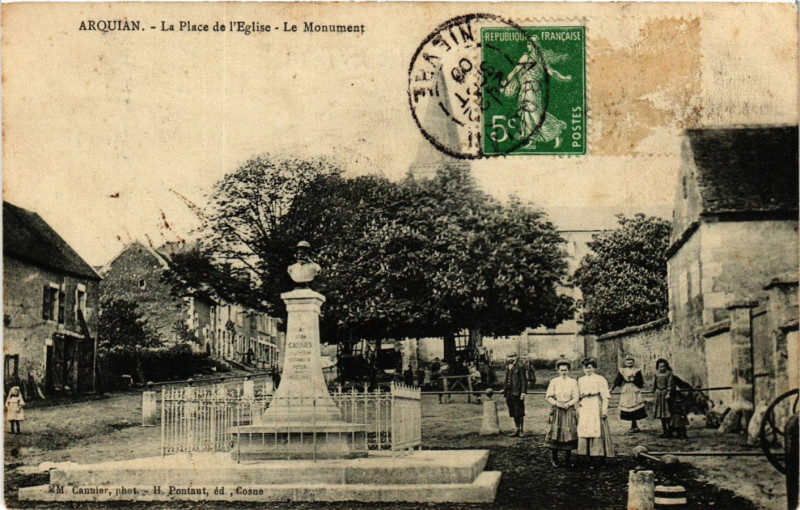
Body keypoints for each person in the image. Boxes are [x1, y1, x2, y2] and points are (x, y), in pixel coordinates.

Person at [501, 39, 572, 149]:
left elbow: (551, 72)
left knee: (534, 114)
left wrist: (564, 78)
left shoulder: (539, 59)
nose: (528, 46)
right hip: (524, 88)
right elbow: (515, 71)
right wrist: (506, 82)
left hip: (532, 89)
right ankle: (531, 142)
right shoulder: (526, 57)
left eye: (530, 44)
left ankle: (555, 132)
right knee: (526, 114)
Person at [576, 358, 615, 462]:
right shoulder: (580, 380)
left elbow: (605, 396)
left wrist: (604, 410)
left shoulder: (600, 379)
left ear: (594, 368)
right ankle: (584, 454)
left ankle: (597, 454)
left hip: (595, 404)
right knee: (584, 428)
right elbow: (577, 395)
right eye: (585, 368)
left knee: (596, 428)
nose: (587, 370)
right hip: (584, 405)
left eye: (589, 368)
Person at [545, 359, 579, 467]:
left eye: (565, 370)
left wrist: (568, 404)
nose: (563, 372)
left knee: (568, 432)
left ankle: (568, 459)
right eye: (561, 370)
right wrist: (556, 403)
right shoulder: (554, 381)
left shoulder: (573, 381)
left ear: (568, 370)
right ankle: (554, 459)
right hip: (557, 409)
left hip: (568, 409)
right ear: (558, 370)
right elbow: (548, 396)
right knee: (556, 432)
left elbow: (576, 396)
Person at [611, 355, 647, 433]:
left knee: (635, 405)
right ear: (625, 363)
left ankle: (635, 425)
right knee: (628, 406)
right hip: (627, 389)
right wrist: (612, 389)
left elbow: (640, 382)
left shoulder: (636, 370)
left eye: (631, 363)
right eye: (628, 363)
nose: (629, 364)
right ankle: (632, 425)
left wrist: (634, 380)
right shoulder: (623, 371)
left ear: (633, 363)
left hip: (634, 389)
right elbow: (618, 380)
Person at [503, 352, 528, 437]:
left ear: (516, 357)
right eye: (509, 357)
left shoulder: (520, 367)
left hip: (517, 393)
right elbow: (507, 379)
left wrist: (523, 392)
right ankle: (516, 429)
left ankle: (521, 430)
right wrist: (504, 389)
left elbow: (524, 381)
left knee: (519, 411)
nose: (510, 358)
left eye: (512, 357)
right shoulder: (508, 367)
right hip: (509, 393)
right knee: (513, 411)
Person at [653, 359, 673, 438]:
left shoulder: (669, 373)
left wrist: (668, 393)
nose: (662, 368)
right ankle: (664, 430)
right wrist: (654, 391)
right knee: (661, 414)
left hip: (665, 394)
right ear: (657, 367)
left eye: (664, 366)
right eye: (660, 367)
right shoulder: (656, 374)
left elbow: (670, 384)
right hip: (658, 394)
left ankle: (670, 431)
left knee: (667, 413)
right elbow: (654, 383)